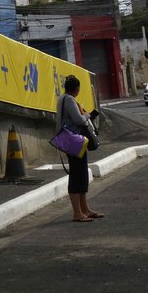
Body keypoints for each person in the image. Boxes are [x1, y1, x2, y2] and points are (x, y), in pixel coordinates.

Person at [57, 75, 103, 222]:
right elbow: (78, 119)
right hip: (74, 141)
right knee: (77, 175)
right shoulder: (69, 99)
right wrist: (87, 115)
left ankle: (85, 209)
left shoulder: (61, 98)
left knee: (81, 174)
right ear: (77, 89)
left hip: (72, 141)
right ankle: (77, 212)